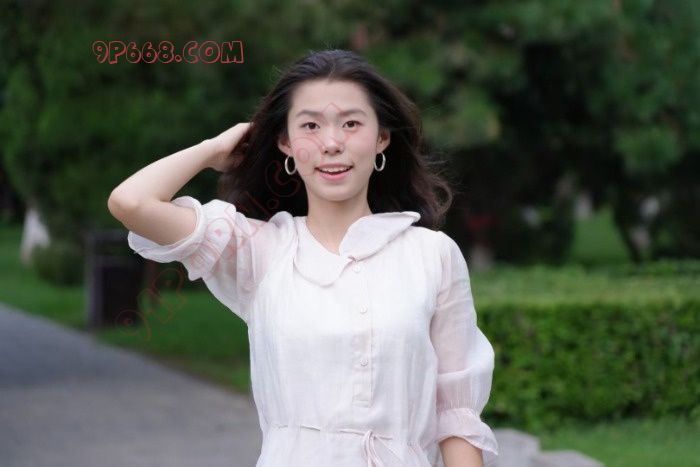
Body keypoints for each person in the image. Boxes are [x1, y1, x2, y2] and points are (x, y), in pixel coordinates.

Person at [108, 49, 499, 467]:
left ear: (382, 137)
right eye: (310, 126)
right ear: (286, 143)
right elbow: (131, 202)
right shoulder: (258, 250)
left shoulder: (432, 256)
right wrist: (212, 149)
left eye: (351, 124)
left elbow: (456, 416)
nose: (331, 143)